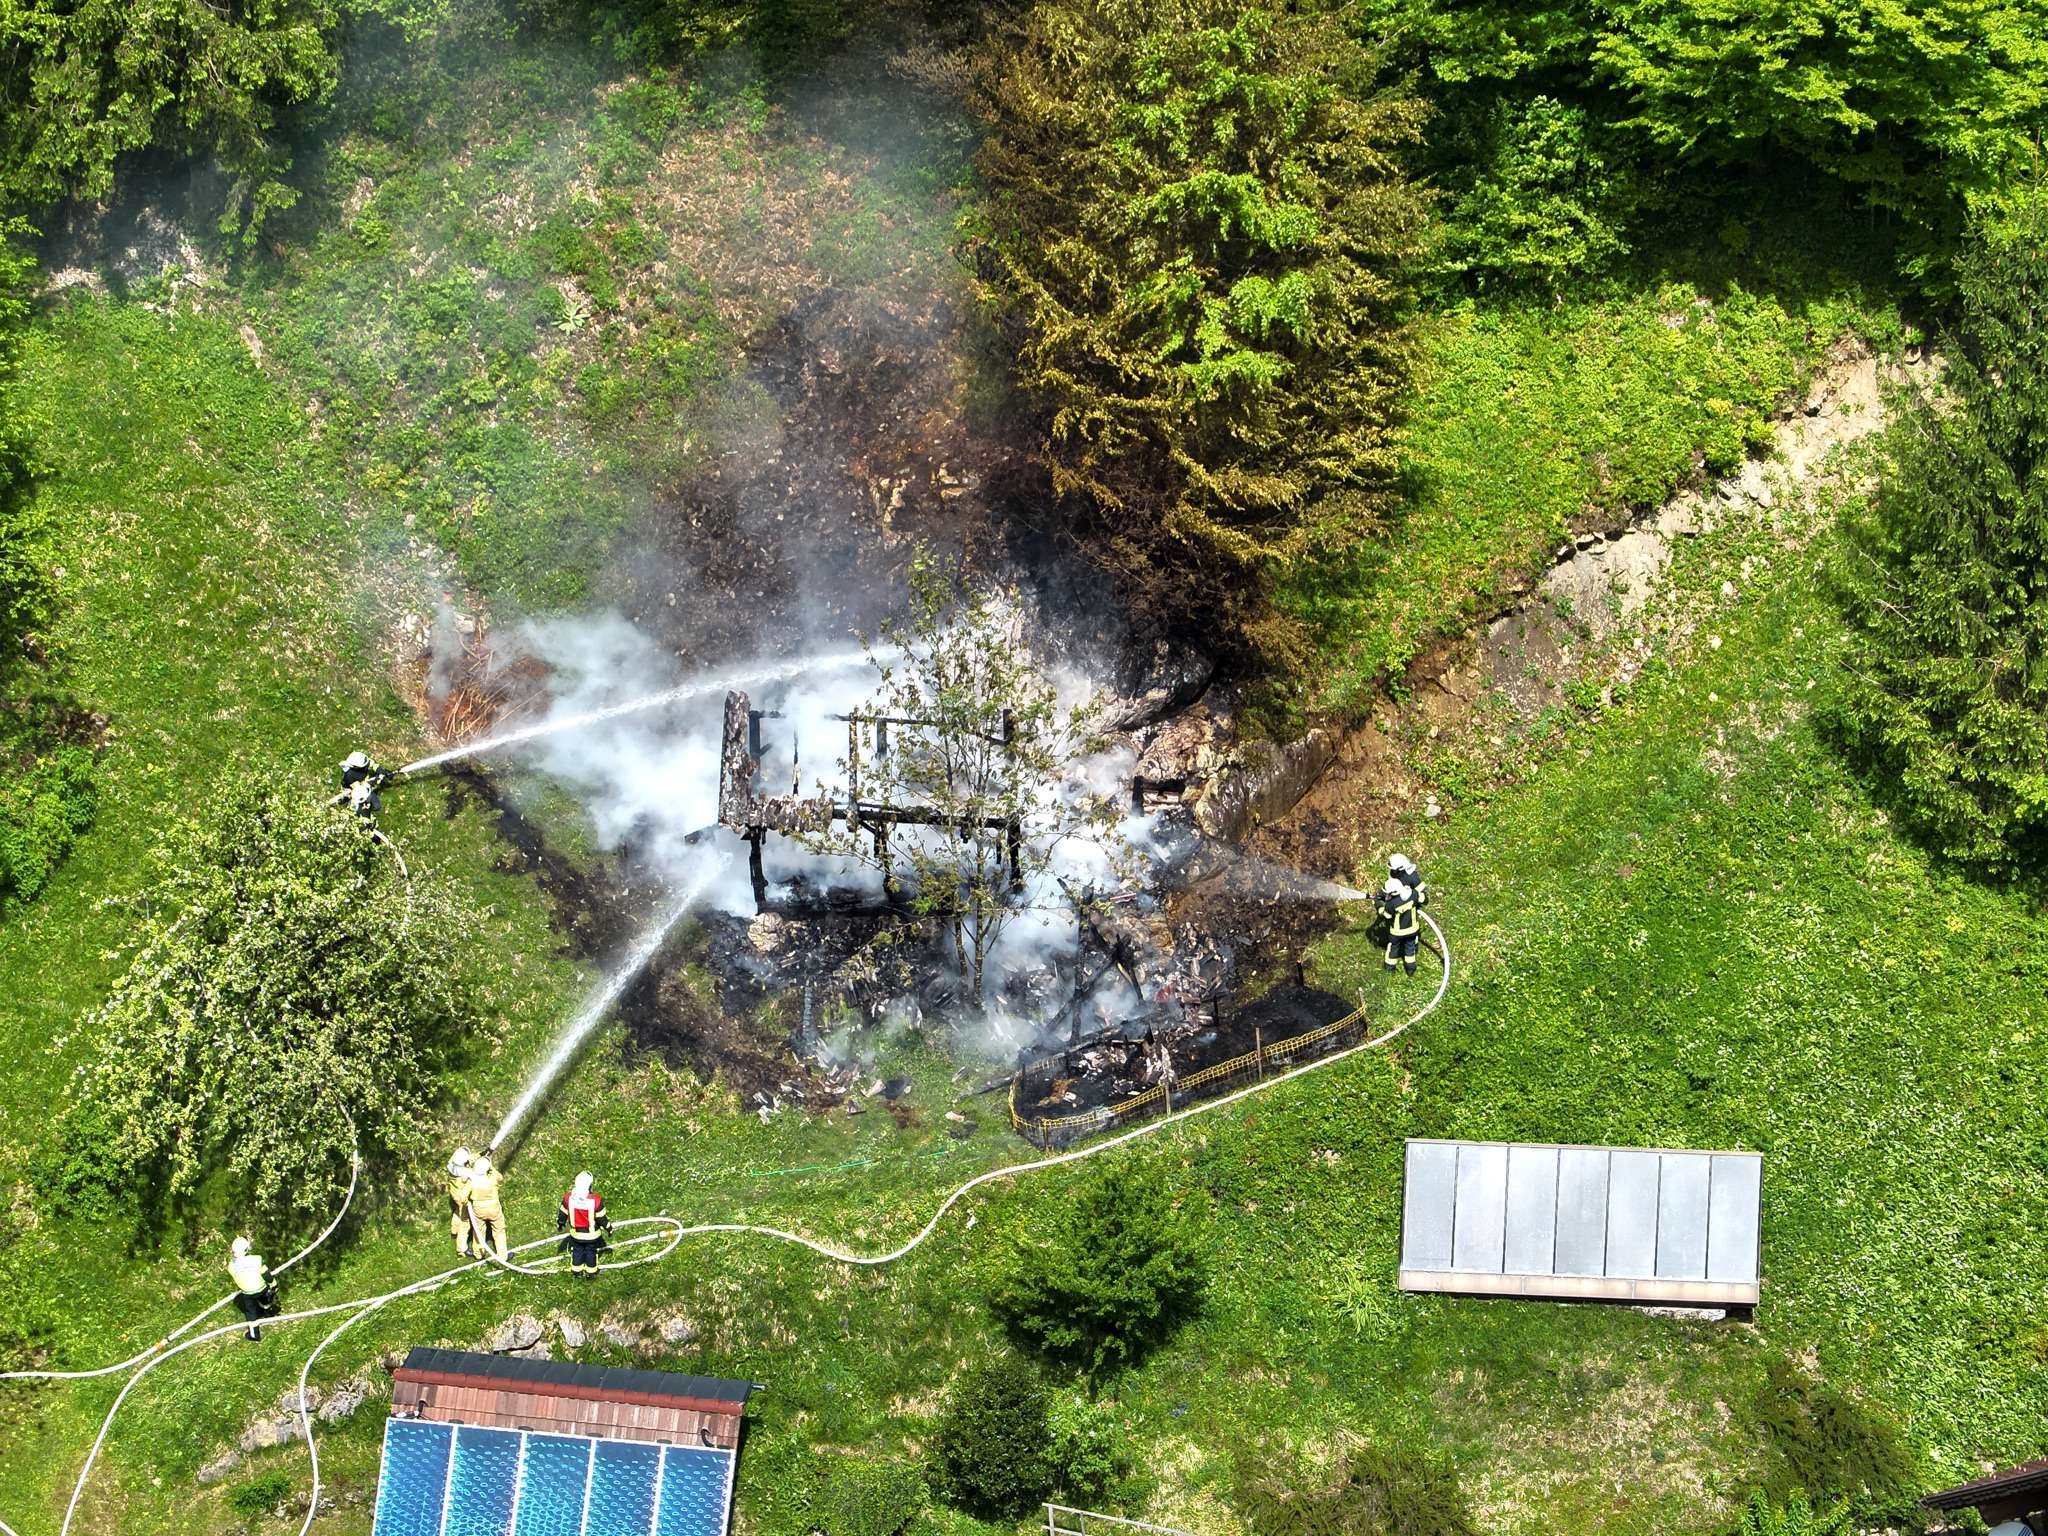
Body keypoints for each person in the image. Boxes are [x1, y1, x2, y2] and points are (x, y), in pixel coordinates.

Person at [556, 1171, 610, 1277]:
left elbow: (563, 1213)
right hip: (592, 1235)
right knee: (591, 1252)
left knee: (577, 1251)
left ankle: (576, 1272)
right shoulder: (596, 1201)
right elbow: (601, 1219)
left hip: (576, 1235)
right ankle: (591, 1273)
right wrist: (609, 1228)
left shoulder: (568, 1198)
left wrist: (560, 1223)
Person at [227, 1236, 279, 1341]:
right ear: (247, 1249)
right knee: (265, 1300)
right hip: (261, 1287)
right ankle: (269, 1313)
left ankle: (255, 1335)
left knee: (250, 1313)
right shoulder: (257, 1259)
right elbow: (266, 1274)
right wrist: (273, 1284)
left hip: (247, 1293)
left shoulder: (230, 1267)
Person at [466, 1151, 509, 1263]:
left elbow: (463, 1195)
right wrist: (492, 1167)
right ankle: (503, 1256)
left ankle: (478, 1254)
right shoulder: (492, 1178)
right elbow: (500, 1178)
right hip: (493, 1207)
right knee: (499, 1231)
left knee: (478, 1231)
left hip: (478, 1209)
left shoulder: (471, 1180)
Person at [1378, 876, 1420, 977]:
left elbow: (1387, 916)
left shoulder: (1391, 904)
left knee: (1393, 949)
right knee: (1410, 949)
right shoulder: (1413, 894)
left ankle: (1390, 969)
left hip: (1397, 932)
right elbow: (1421, 898)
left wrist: (1379, 907)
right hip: (1412, 929)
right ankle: (1411, 970)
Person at [447, 1148, 475, 1258]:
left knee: (457, 1212)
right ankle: (461, 1248)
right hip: (461, 1196)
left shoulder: (451, 1163)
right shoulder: (464, 1175)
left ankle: (454, 1231)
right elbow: (472, 1174)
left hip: (454, 1192)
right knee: (465, 1221)